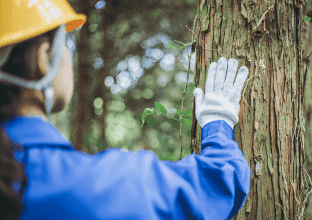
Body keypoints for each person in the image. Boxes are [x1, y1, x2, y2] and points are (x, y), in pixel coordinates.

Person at [0, 0, 250, 219]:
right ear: (45, 58)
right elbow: (218, 181)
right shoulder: (87, 186)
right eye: (65, 41)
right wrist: (218, 122)